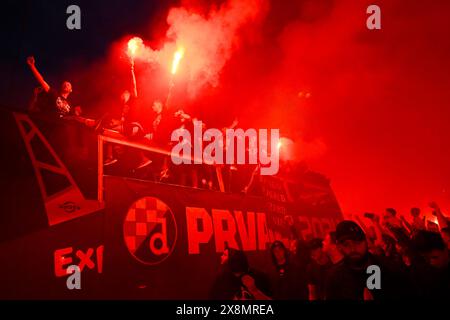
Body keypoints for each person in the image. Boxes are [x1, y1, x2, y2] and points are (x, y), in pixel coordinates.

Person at [326, 220, 409, 300]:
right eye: (346, 244)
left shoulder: (390, 268)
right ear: (339, 247)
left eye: (357, 242)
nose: (352, 248)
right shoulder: (335, 277)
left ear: (366, 241)